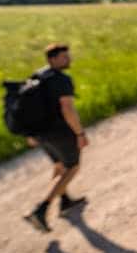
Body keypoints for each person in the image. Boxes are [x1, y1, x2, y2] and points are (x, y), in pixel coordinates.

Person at [24, 44, 89, 232]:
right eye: (64, 57)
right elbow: (67, 109)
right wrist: (80, 134)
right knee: (73, 167)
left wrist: (30, 133)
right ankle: (41, 210)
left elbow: (27, 106)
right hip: (59, 132)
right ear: (52, 59)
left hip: (41, 134)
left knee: (60, 165)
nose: (69, 60)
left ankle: (66, 200)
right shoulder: (62, 80)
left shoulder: (36, 76)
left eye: (68, 56)